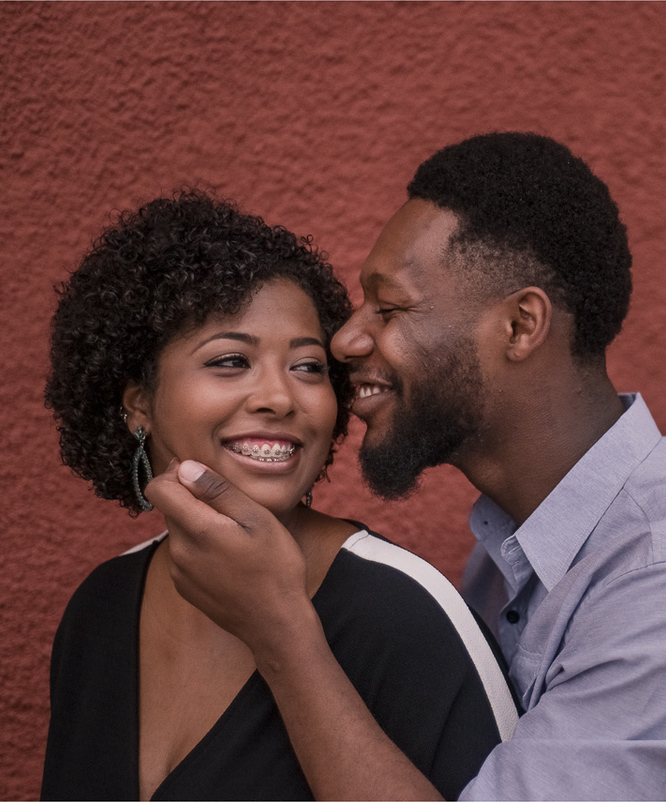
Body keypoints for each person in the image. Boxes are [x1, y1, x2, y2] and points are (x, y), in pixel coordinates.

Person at [149, 134, 666, 800]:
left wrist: (282, 636)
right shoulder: (515, 548)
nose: (346, 340)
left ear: (519, 327)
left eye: (389, 308)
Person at [40, 190, 517, 801]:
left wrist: (283, 633)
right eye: (232, 360)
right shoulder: (100, 610)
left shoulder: (403, 612)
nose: (281, 398)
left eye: (308, 367)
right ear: (138, 403)